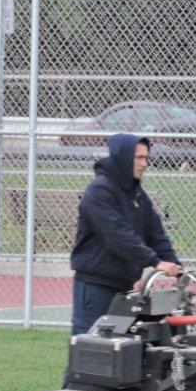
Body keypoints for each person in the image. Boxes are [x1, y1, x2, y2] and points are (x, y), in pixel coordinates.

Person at [70, 133, 181, 335]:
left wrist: (175, 266)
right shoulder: (100, 191)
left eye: (146, 157)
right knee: (91, 352)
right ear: (123, 157)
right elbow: (118, 236)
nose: (145, 163)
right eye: (138, 158)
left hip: (124, 288)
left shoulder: (137, 194)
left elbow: (155, 233)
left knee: (123, 353)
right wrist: (155, 262)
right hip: (97, 286)